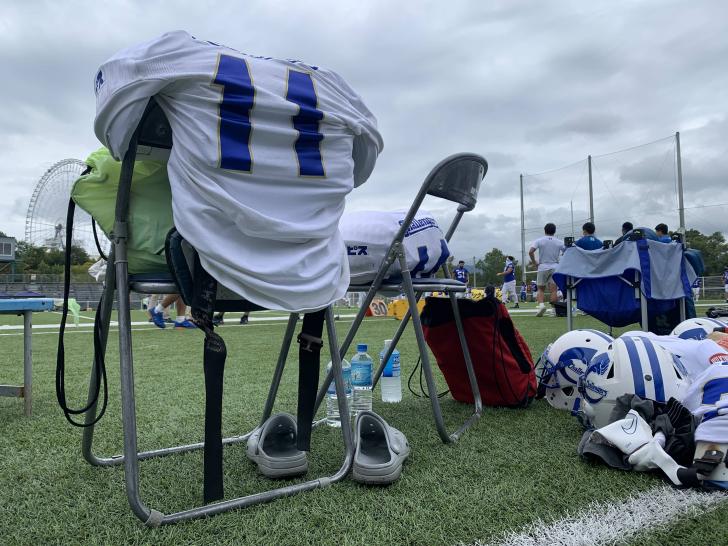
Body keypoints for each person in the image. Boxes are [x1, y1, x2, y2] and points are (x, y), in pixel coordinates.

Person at [529, 223, 565, 317]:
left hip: (543, 267)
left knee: (540, 289)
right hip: (555, 267)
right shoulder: (559, 242)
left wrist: (534, 262)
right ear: (554, 231)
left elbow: (531, 251)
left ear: (545, 230)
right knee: (553, 290)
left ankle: (541, 306)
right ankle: (553, 310)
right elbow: (566, 252)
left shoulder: (539, 240)